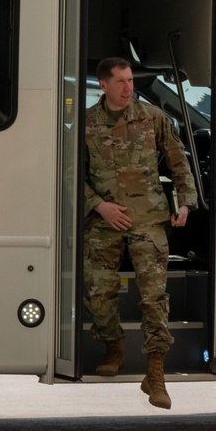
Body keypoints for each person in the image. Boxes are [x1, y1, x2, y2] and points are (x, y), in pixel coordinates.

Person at [83, 56, 197, 409]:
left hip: (148, 219)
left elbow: (178, 159)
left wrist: (184, 202)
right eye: (120, 81)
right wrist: (99, 205)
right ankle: (113, 345)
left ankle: (156, 373)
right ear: (103, 85)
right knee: (98, 294)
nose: (128, 87)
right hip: (104, 220)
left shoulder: (153, 117)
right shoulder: (85, 124)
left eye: (131, 80)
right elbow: (69, 173)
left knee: (154, 298)